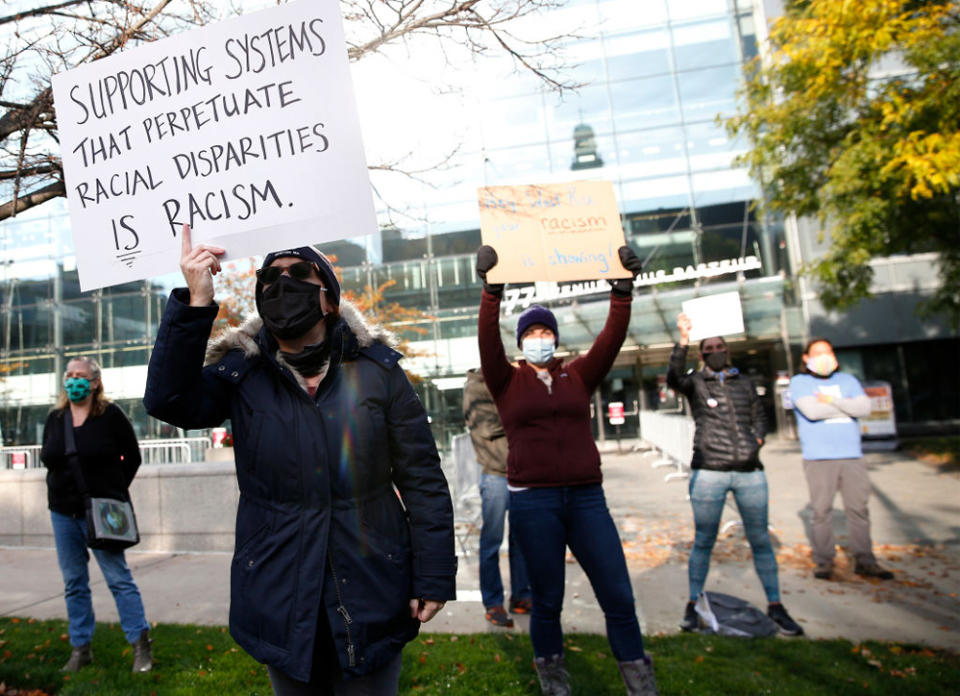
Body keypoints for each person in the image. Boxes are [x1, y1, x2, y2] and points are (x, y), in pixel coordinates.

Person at [144, 227, 457, 695]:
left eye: (299, 273)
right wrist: (196, 303)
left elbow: (422, 480)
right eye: (270, 277)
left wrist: (433, 574)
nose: (282, 283)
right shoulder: (242, 374)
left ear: (328, 299)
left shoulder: (379, 374)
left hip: (372, 583)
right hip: (279, 590)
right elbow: (168, 399)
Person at [476, 244, 658, 696]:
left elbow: (610, 340)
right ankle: (554, 681)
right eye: (531, 332)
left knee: (618, 595)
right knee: (547, 602)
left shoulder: (577, 376)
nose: (539, 336)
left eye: (545, 331)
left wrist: (622, 293)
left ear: (556, 338)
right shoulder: (505, 380)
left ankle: (640, 682)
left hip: (586, 500)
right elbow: (486, 341)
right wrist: (491, 293)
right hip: (533, 501)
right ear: (520, 342)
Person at [667, 314, 803, 637]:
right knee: (704, 540)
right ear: (702, 355)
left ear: (728, 351)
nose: (715, 350)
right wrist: (683, 339)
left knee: (760, 541)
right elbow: (673, 377)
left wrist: (756, 439)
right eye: (709, 348)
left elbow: (760, 415)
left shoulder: (743, 383)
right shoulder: (695, 383)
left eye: (720, 346)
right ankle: (693, 603)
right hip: (709, 470)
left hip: (749, 472)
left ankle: (775, 605)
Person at [40, 356, 153, 673]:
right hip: (63, 513)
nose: (74, 380)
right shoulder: (55, 418)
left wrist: (113, 491)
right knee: (74, 582)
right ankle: (80, 649)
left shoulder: (110, 415)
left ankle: (141, 646)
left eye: (81, 375)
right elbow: (48, 457)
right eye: (70, 374)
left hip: (103, 511)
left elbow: (131, 456)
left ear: (94, 382)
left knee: (118, 578)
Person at [790, 337, 893, 581]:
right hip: (819, 457)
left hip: (852, 456)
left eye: (827, 352)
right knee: (821, 511)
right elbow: (812, 412)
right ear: (806, 358)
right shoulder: (800, 382)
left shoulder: (848, 380)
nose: (823, 357)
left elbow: (864, 409)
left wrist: (831, 401)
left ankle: (866, 561)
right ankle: (825, 561)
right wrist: (847, 405)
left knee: (858, 509)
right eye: (817, 353)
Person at [463, 368, 531, 628]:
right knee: (491, 542)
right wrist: (522, 417)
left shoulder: (509, 382)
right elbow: (487, 427)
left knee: (521, 540)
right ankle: (493, 602)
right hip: (495, 476)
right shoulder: (476, 388)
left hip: (520, 474)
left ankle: (521, 596)